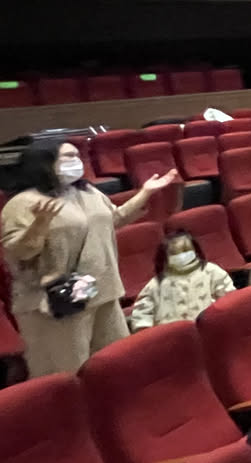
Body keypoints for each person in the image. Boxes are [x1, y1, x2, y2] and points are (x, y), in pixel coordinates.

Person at [2, 140, 177, 375]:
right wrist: (39, 226)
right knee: (68, 372)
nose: (76, 161)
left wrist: (146, 192)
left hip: (102, 289)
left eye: (77, 155)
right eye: (68, 156)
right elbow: (18, 252)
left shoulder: (88, 192)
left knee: (116, 363)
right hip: (56, 301)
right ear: (44, 162)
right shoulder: (22, 203)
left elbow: (114, 218)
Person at [128, 230, 236, 331]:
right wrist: (146, 331)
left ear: (195, 251)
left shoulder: (211, 271)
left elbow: (230, 298)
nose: (182, 256)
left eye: (186, 251)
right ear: (165, 256)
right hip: (171, 336)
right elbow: (141, 313)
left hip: (209, 329)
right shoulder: (157, 283)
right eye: (175, 253)